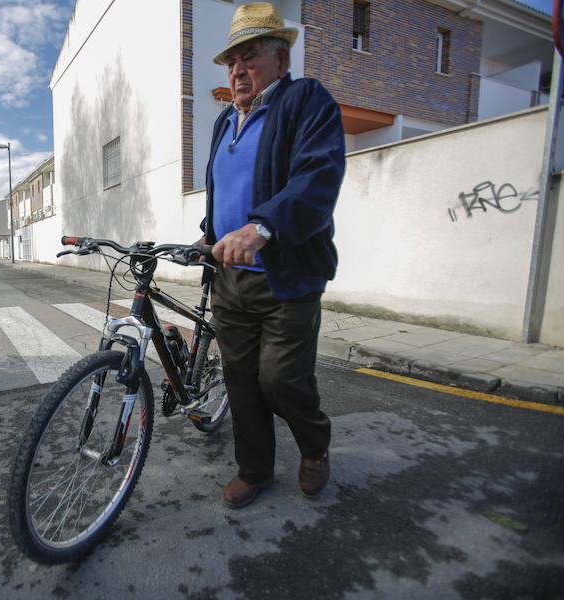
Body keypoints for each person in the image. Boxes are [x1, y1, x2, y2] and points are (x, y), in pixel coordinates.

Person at [200, 3, 346, 508]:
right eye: (231, 61)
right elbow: (223, 193)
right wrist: (208, 235)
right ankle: (255, 469)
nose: (238, 70)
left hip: (287, 276)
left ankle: (314, 447)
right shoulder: (225, 122)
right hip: (230, 279)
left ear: (281, 59)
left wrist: (262, 227)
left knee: (281, 380)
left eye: (250, 57)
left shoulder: (306, 101)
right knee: (241, 383)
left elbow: (318, 176)